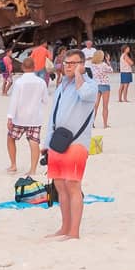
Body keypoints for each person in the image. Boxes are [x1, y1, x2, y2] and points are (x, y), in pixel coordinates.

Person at [45, 50, 98, 240]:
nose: (68, 66)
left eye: (73, 63)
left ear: (82, 64)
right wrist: (47, 143)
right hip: (58, 141)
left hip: (77, 142)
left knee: (72, 184)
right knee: (59, 184)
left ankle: (74, 231)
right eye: (66, 63)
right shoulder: (62, 86)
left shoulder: (90, 85)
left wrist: (79, 74)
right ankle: (65, 227)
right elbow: (54, 114)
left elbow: (84, 95)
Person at [5, 54, 48, 176]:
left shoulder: (19, 82)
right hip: (35, 117)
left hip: (20, 117)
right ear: (34, 67)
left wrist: (10, 117)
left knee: (10, 138)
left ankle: (13, 165)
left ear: (23, 67)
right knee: (34, 141)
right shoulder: (41, 82)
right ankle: (33, 169)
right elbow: (45, 100)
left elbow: (14, 101)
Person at [88, 50, 113, 130]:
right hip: (105, 85)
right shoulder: (104, 65)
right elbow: (111, 70)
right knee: (105, 106)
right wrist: (108, 61)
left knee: (95, 106)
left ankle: (92, 123)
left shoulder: (92, 65)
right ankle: (105, 124)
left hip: (96, 85)